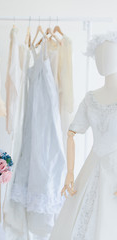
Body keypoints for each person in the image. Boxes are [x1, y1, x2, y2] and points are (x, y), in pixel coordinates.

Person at [50, 33, 117, 240]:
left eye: (109, 54)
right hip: (93, 164)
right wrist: (70, 173)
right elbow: (72, 133)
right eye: (99, 55)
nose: (103, 60)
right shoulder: (91, 98)